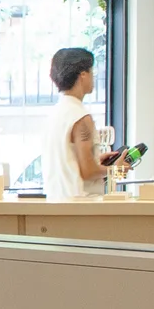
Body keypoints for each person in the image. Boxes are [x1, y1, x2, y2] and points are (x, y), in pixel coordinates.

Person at [41, 46, 129, 199]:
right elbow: (87, 171)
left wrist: (96, 160)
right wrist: (116, 168)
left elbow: (69, 163)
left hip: (56, 202)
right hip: (81, 205)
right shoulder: (81, 117)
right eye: (91, 72)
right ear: (83, 75)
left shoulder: (54, 114)